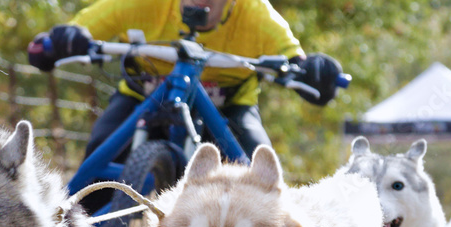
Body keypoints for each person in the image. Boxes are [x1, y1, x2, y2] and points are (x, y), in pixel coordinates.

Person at [27, 0, 341, 162]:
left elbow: (295, 60)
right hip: (144, 96)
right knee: (99, 156)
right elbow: (76, 30)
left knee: (261, 168)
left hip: (227, 106)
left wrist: (314, 71)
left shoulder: (257, 14)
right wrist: (62, 40)